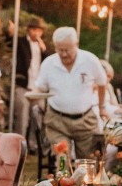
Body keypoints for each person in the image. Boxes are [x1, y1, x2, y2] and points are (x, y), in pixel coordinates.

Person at [34, 27, 108, 159]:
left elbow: (102, 82)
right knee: (63, 161)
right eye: (60, 50)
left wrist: (102, 107)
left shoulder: (90, 60)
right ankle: (63, 172)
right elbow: (40, 87)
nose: (63, 54)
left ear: (76, 45)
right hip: (57, 121)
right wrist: (33, 95)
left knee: (87, 162)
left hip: (85, 120)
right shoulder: (49, 63)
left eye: (67, 50)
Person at [11, 17, 49, 146]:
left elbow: (48, 61)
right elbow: (11, 42)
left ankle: (33, 144)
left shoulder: (43, 46)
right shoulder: (21, 42)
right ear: (29, 30)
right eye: (34, 29)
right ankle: (19, 144)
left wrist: (43, 49)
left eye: (39, 30)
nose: (36, 33)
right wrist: (11, 32)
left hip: (37, 87)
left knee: (38, 117)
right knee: (22, 118)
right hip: (23, 85)